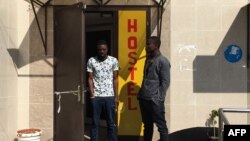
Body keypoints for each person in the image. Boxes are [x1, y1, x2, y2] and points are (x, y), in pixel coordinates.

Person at [138, 36, 171, 141]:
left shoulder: (163, 61)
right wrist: (141, 93)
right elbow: (145, 78)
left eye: (148, 44)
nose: (146, 46)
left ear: (156, 45)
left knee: (161, 127)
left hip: (155, 101)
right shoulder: (148, 59)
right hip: (144, 99)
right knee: (147, 126)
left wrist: (158, 98)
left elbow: (165, 82)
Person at [87, 40, 119, 141]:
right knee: (95, 122)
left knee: (110, 122)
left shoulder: (113, 60)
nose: (102, 51)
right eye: (100, 49)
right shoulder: (91, 60)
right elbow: (90, 78)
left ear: (107, 49)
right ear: (97, 50)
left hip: (109, 96)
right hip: (96, 96)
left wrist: (116, 97)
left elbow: (115, 78)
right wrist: (92, 94)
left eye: (104, 49)